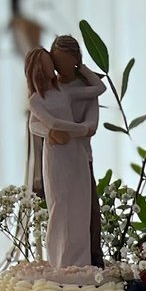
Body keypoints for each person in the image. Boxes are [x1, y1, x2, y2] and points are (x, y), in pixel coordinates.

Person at [25, 36, 105, 268]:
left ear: (76, 61)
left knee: (84, 210)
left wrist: (73, 131)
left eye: (63, 61)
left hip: (80, 155)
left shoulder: (73, 90)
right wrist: (51, 131)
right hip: (58, 154)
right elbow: (36, 123)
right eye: (54, 61)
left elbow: (93, 119)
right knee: (60, 206)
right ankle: (60, 261)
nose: (58, 67)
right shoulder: (42, 96)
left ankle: (88, 262)